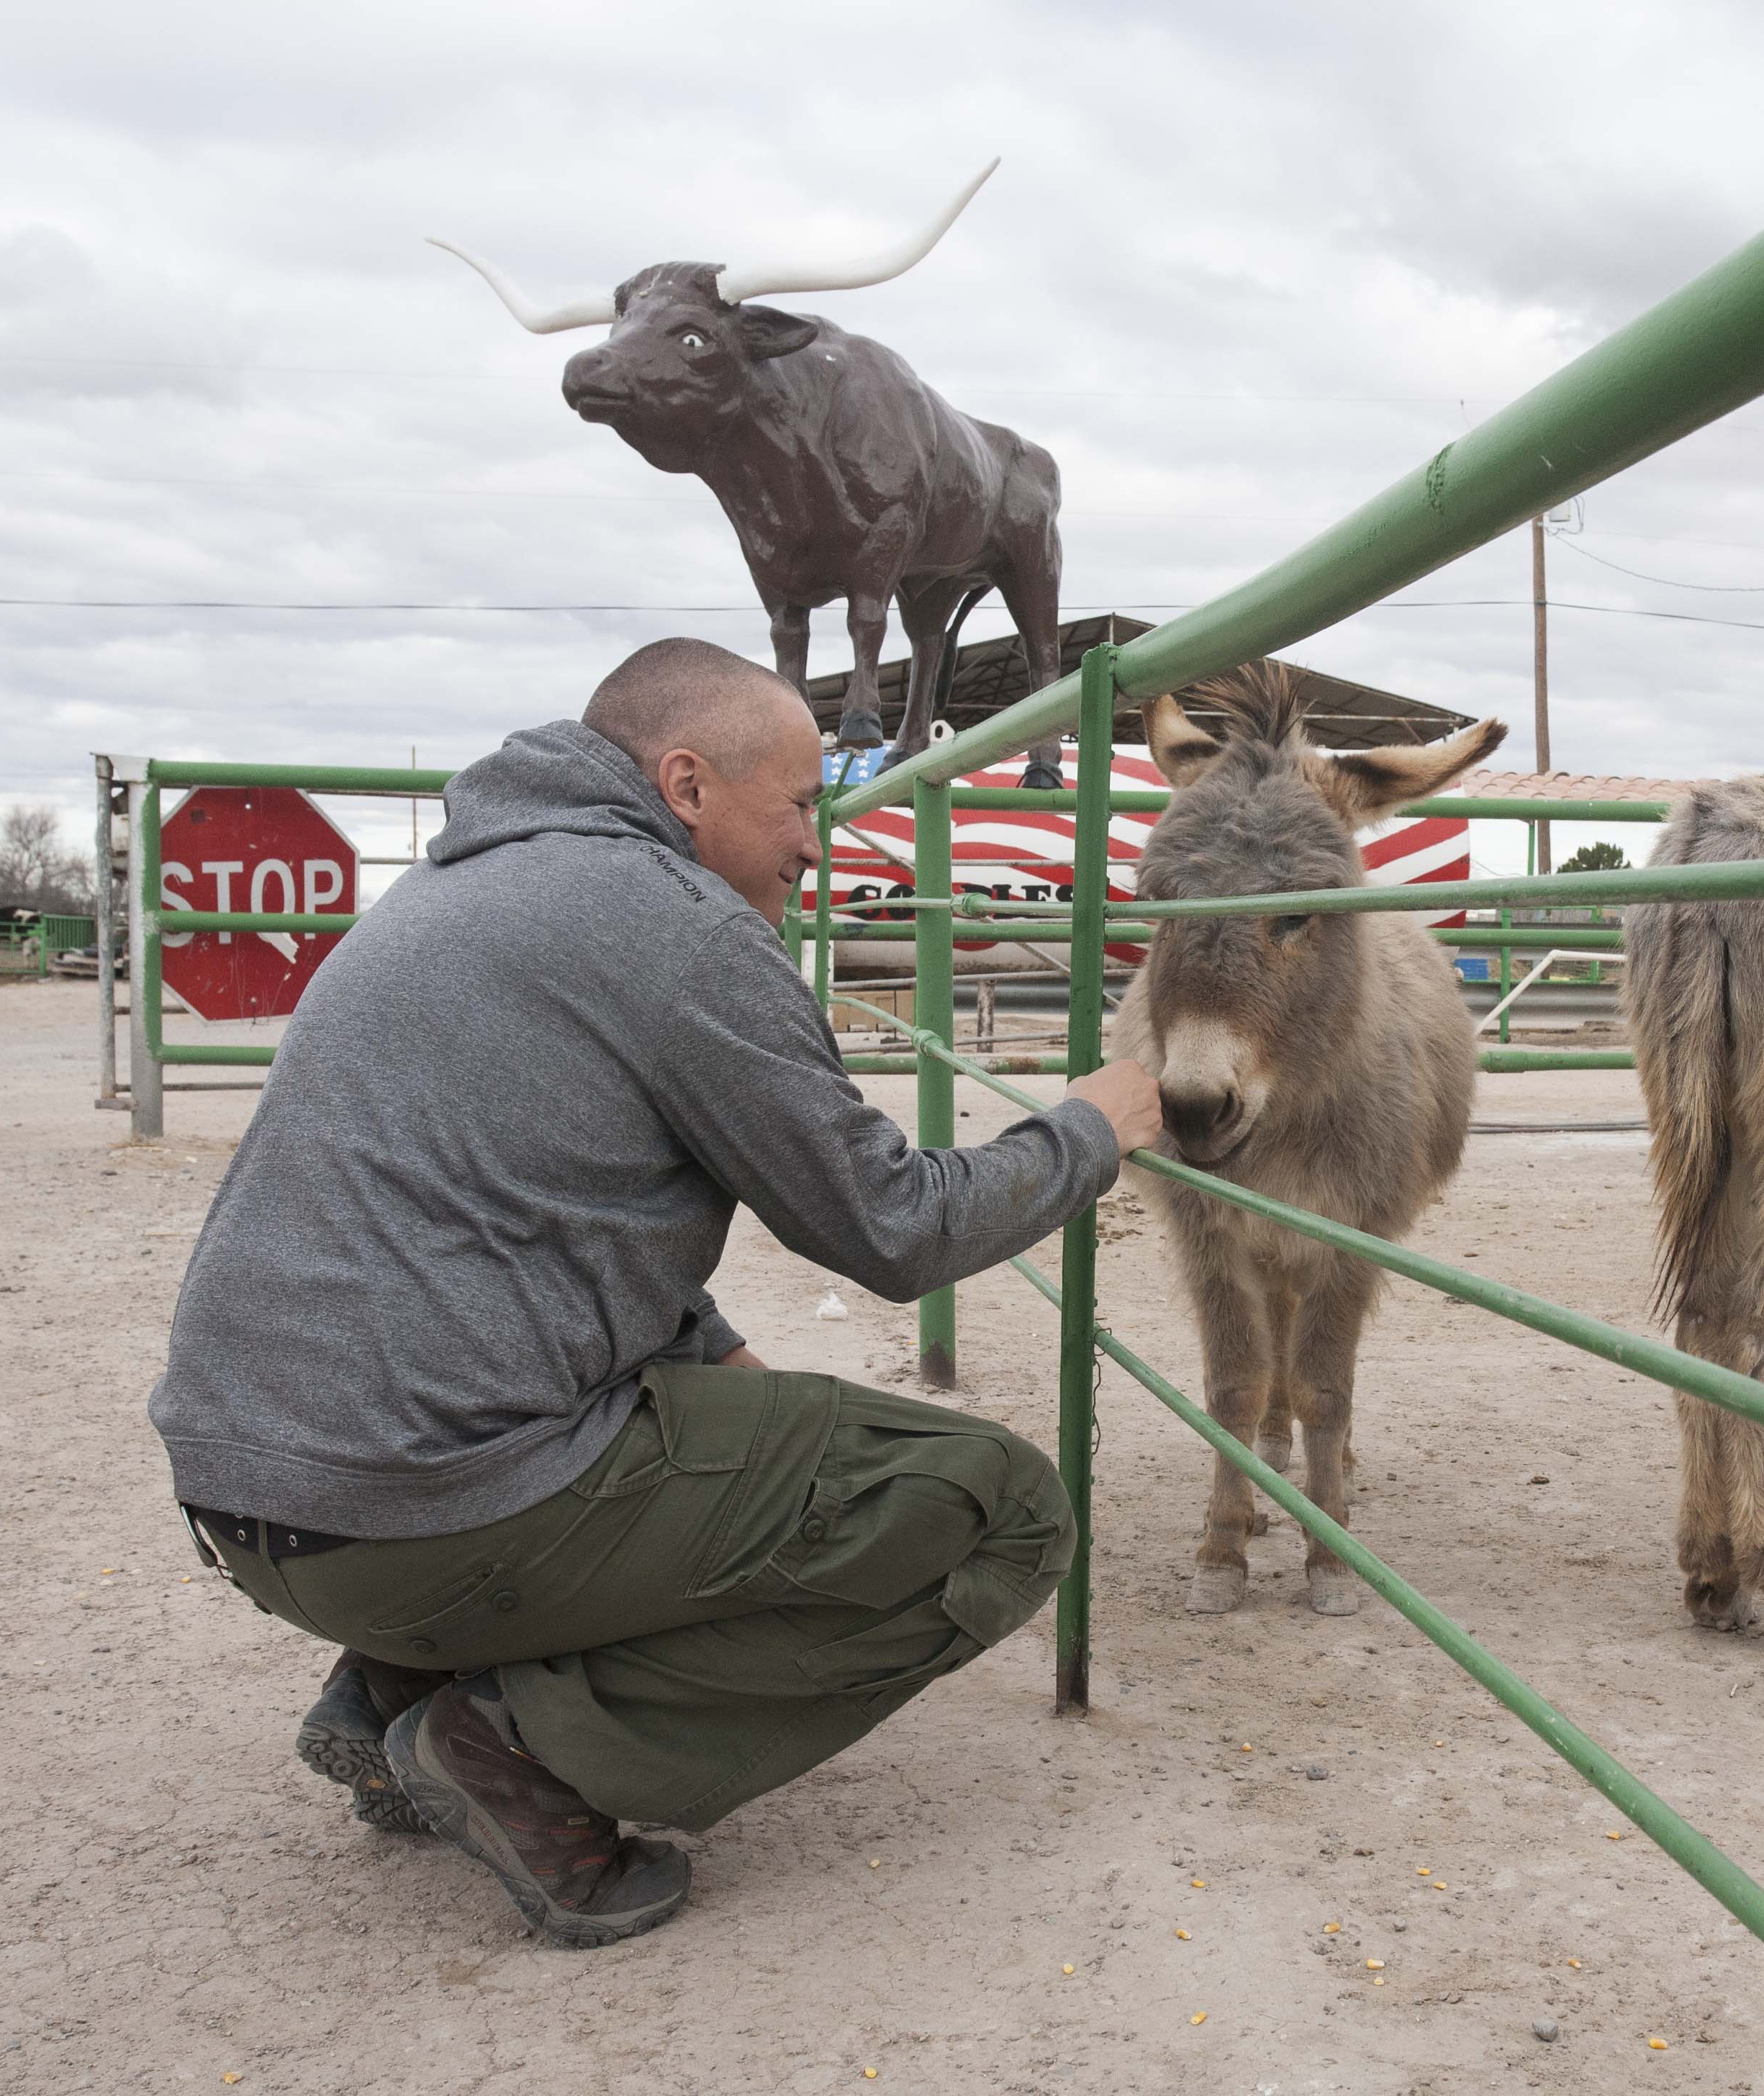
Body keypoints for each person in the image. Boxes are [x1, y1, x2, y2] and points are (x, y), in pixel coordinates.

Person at [148, 638, 1164, 1948]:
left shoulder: (456, 889)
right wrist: (1090, 1127)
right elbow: (895, 1227)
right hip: (416, 1507)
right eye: (800, 802)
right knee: (1002, 1510)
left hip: (254, 1504)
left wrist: (712, 1353)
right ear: (685, 783)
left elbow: (533, 1207)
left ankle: (391, 1683)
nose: (815, 841)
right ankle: (512, 1750)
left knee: (739, 1426)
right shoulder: (673, 929)